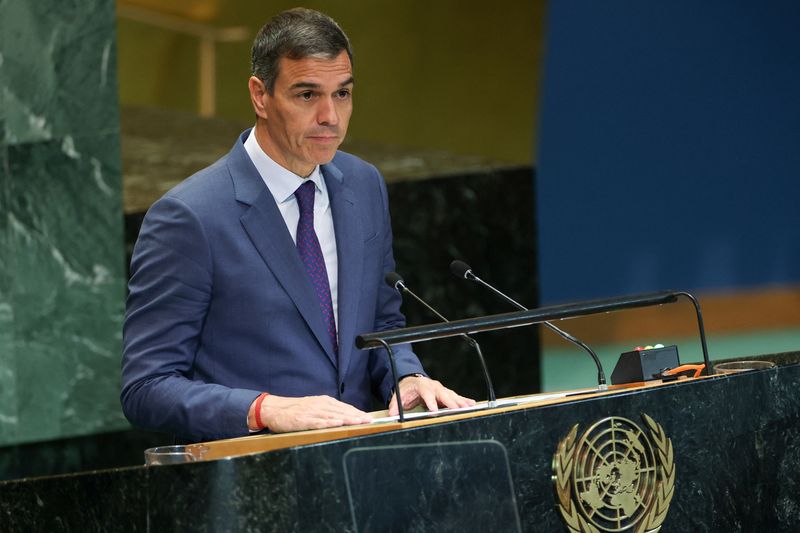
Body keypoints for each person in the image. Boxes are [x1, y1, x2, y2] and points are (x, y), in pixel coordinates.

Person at [121, 7, 473, 443]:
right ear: (259, 95)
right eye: (307, 95)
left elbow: (382, 325)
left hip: (361, 466)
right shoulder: (189, 218)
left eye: (342, 94)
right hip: (256, 482)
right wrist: (264, 409)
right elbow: (146, 388)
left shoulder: (363, 186)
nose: (330, 116)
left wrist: (406, 377)